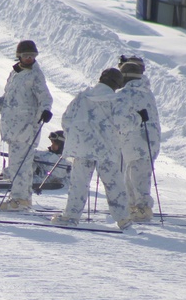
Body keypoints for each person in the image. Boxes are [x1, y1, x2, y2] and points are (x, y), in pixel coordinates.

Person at [53, 67, 135, 229]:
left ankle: (71, 216)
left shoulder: (83, 97)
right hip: (107, 150)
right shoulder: (117, 100)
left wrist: (75, 138)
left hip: (83, 148)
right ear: (117, 84)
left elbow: (67, 119)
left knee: (79, 183)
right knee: (114, 184)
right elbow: (125, 124)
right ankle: (123, 220)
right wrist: (138, 117)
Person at [0, 40, 53, 211]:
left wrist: (45, 111)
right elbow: (9, 102)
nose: (30, 58)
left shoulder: (35, 75)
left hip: (26, 128)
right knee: (15, 166)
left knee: (21, 166)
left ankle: (21, 201)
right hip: (13, 129)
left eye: (33, 55)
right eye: (26, 55)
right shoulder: (15, 74)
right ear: (18, 56)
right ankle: (19, 199)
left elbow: (45, 97)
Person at [117, 55, 162, 222]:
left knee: (136, 177)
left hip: (135, 142)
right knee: (134, 175)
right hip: (148, 141)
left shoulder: (125, 94)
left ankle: (142, 208)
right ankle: (133, 207)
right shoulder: (147, 92)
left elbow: (118, 117)